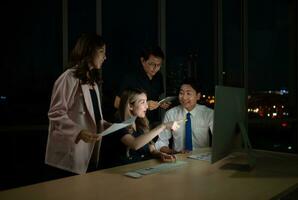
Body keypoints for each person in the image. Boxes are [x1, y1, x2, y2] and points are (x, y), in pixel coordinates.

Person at [45, 33, 110, 174]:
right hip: (70, 153)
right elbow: (56, 113)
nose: (105, 57)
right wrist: (78, 132)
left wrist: (105, 124)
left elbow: (93, 116)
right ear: (88, 51)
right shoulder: (69, 77)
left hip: (89, 150)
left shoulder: (92, 81)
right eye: (101, 52)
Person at [99, 88, 179, 169]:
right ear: (130, 106)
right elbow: (134, 144)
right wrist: (163, 126)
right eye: (142, 102)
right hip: (118, 173)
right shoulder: (118, 123)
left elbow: (151, 149)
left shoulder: (140, 122)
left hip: (138, 169)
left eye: (146, 101)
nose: (147, 106)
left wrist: (160, 154)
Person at [113, 46, 170, 127]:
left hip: (153, 122)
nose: (155, 68)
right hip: (134, 124)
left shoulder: (159, 77)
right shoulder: (130, 77)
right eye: (151, 64)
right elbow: (117, 103)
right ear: (143, 61)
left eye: (158, 65)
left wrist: (160, 103)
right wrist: (145, 104)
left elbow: (155, 98)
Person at [155, 78, 214, 154]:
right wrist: (175, 152)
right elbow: (161, 142)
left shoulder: (208, 113)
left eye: (188, 93)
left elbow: (219, 140)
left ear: (198, 96)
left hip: (202, 159)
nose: (184, 97)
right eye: (181, 93)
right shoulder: (171, 114)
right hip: (178, 158)